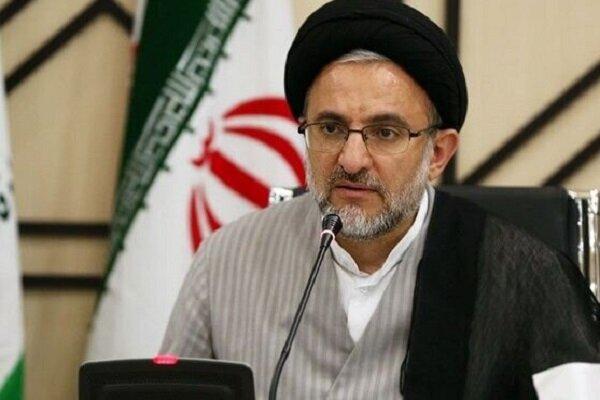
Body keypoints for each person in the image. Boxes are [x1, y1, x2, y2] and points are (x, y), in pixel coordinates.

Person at [161, 1, 600, 398]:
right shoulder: (225, 261)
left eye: (385, 133)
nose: (352, 160)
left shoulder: (525, 278)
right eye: (330, 128)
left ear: (438, 154)